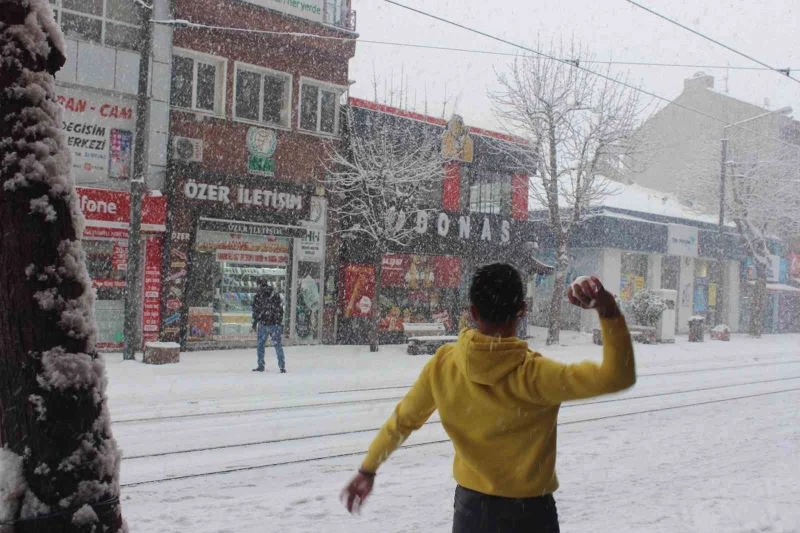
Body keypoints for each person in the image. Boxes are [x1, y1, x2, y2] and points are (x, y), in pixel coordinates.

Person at [341, 263, 636, 532]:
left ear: (473, 312)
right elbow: (618, 376)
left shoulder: (445, 364)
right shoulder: (537, 375)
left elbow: (402, 421)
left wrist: (368, 469)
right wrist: (608, 310)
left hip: (472, 513)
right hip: (530, 515)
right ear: (522, 309)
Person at [251, 280, 286, 373]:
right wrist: (278, 321)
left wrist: (255, 322)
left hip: (263, 323)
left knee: (260, 345)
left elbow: (256, 311)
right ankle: (282, 366)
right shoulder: (275, 295)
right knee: (277, 345)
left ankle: (260, 365)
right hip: (275, 324)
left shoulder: (258, 296)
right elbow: (280, 309)